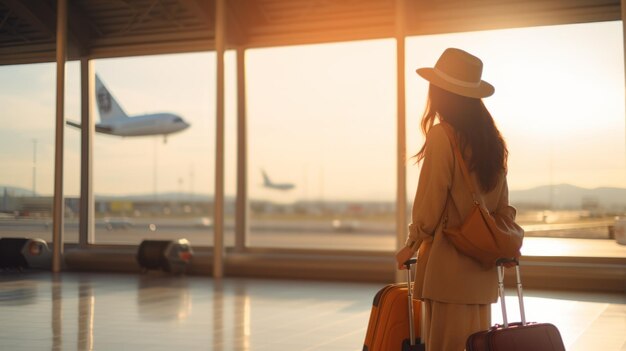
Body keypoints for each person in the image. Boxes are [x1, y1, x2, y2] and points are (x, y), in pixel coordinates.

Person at [395, 48, 519, 351]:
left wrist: (411, 244)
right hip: (482, 273)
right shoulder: (493, 142)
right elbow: (503, 207)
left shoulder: (443, 136)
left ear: (441, 92)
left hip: (448, 271)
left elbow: (430, 201)